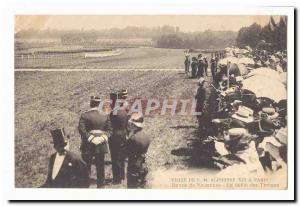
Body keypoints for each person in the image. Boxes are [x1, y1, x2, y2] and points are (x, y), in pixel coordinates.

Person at [78, 96, 110, 188]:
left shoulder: (84, 115)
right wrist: (102, 138)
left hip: (87, 144)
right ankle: (101, 186)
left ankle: (85, 185)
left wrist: (91, 138)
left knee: (86, 166)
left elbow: (81, 129)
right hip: (101, 144)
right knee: (100, 167)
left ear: (91, 103)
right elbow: (110, 130)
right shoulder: (105, 115)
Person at [109, 89, 129, 184]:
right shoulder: (124, 111)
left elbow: (110, 126)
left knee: (115, 158)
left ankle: (116, 179)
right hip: (124, 135)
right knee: (122, 156)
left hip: (115, 137)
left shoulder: (113, 113)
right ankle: (122, 176)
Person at [126, 113, 151, 188]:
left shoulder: (132, 138)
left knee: (132, 186)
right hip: (143, 163)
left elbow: (126, 152)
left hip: (133, 165)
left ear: (134, 125)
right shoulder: (147, 136)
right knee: (142, 184)